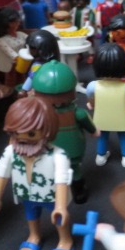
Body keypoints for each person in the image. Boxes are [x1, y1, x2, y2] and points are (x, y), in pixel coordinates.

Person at [0, 97, 74, 250]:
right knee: (31, 216)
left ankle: (65, 240)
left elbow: (62, 181)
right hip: (26, 193)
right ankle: (34, 236)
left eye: (31, 133)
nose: (22, 138)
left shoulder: (58, 155)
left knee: (59, 219)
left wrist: (61, 206)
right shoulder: (11, 152)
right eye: (16, 133)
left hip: (51, 196)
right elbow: (2, 173)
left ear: (47, 131)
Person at [32, 60, 98, 204]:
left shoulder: (39, 114)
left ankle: (54, 191)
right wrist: (93, 131)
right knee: (75, 169)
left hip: (48, 149)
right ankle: (79, 193)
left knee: (51, 167)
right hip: (73, 149)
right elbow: (88, 123)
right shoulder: (77, 113)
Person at [86, 43, 125, 168]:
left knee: (103, 136)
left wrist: (91, 105)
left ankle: (101, 156)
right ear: (123, 65)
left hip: (102, 118)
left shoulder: (92, 86)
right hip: (121, 118)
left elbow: (91, 101)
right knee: (123, 135)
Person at [18, 29, 60, 96]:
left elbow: (31, 78)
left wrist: (24, 90)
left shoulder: (37, 65)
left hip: (40, 90)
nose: (28, 50)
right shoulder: (55, 62)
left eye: (31, 48)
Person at [0, 6, 27, 90]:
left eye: (17, 20)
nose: (18, 22)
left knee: (22, 79)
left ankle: (23, 91)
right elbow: (10, 53)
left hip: (22, 63)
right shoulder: (2, 40)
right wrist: (22, 59)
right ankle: (11, 94)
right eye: (14, 21)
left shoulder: (20, 35)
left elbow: (30, 40)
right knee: (11, 82)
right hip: (11, 65)